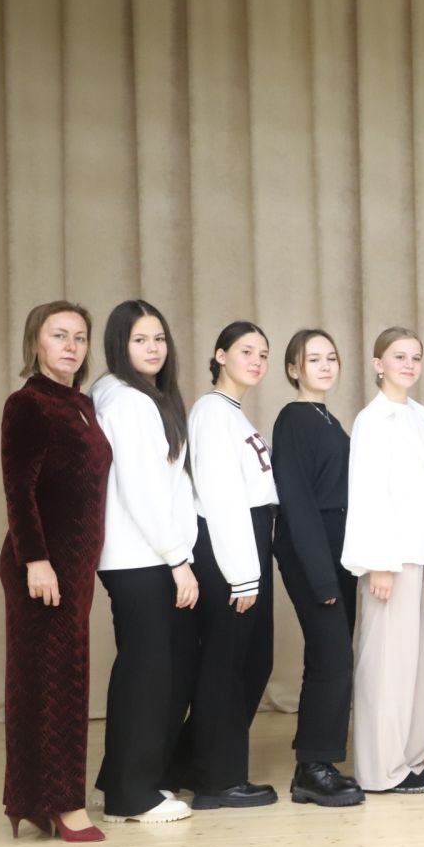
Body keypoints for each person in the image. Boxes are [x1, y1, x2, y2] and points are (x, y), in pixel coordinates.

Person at [0, 301, 113, 842]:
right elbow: (18, 490)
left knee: (57, 681)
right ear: (36, 343)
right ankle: (65, 805)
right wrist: (36, 560)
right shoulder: (28, 404)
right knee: (54, 684)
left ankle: (39, 799)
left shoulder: (82, 404)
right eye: (59, 335)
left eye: (80, 337)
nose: (71, 346)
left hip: (75, 566)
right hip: (42, 566)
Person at [90, 300, 197, 824]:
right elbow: (143, 490)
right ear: (119, 345)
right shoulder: (130, 402)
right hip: (142, 557)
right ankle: (132, 796)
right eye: (140, 340)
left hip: (137, 556)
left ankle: (121, 784)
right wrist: (178, 560)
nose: (154, 348)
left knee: (142, 670)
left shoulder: (119, 393)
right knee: (148, 674)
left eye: (159, 338)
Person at [175, 321, 280, 808]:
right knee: (228, 664)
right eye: (245, 351)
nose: (256, 361)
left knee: (250, 660)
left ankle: (191, 764)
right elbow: (220, 498)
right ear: (220, 355)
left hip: (249, 539)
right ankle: (218, 780)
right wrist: (242, 575)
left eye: (263, 354)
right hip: (230, 548)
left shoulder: (233, 414)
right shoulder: (211, 412)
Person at [343, 328, 424, 796]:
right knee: (386, 667)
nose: (409, 364)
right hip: (392, 559)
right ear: (377, 364)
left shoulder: (421, 418)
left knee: (418, 665)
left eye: (415, 357)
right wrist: (378, 563)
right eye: (399, 356)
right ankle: (380, 769)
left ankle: (409, 758)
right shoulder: (373, 420)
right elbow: (368, 493)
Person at [271, 329, 363, 807]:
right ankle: (313, 767)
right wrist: (322, 576)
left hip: (337, 548)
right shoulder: (293, 418)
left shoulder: (328, 418)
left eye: (332, 357)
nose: (326, 366)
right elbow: (297, 502)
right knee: (332, 657)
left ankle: (315, 763)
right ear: (294, 369)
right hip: (312, 550)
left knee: (331, 656)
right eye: (314, 359)